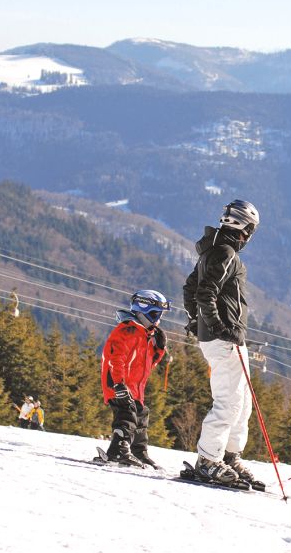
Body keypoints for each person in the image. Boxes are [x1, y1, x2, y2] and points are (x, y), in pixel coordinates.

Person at [182, 199, 263, 487]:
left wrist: (195, 320)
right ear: (245, 228)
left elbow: (190, 288)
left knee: (242, 404)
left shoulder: (214, 252)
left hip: (229, 338)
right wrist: (216, 326)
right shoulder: (225, 253)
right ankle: (208, 460)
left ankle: (229, 456)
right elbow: (205, 292)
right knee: (229, 403)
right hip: (224, 338)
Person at [100, 289, 170, 467]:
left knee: (141, 415)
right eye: (154, 315)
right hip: (118, 385)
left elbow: (147, 365)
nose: (158, 321)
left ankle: (139, 451)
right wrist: (118, 384)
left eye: (160, 316)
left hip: (134, 389)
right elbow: (115, 358)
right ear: (141, 311)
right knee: (126, 415)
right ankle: (118, 450)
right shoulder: (127, 330)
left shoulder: (145, 336)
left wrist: (159, 349)